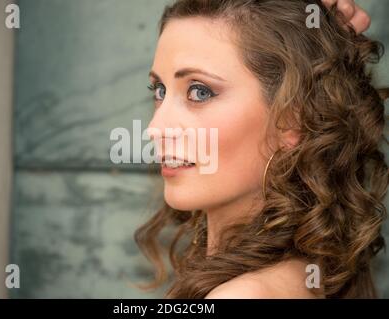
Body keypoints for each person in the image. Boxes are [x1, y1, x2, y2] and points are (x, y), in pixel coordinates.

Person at [135, 0, 388, 298]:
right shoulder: (309, 273)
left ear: (293, 119)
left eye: (199, 91)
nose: (156, 129)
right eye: (160, 91)